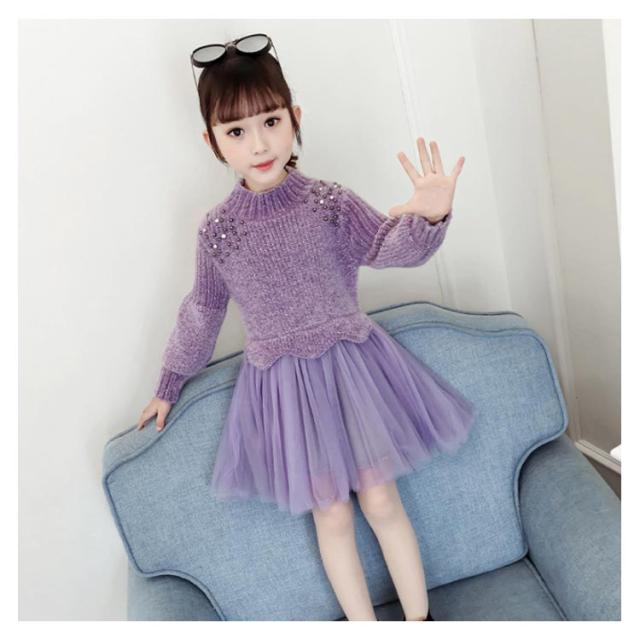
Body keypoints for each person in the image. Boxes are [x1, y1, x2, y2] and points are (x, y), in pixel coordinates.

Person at [136, 33, 476, 622]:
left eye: (270, 121)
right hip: (285, 388)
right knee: (332, 512)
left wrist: (431, 214)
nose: (258, 143)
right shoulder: (219, 231)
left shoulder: (328, 202)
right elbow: (204, 309)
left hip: (354, 370)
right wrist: (169, 382)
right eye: (236, 131)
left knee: (380, 498)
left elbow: (388, 247)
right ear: (211, 141)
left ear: (294, 117)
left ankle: (421, 623)